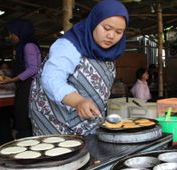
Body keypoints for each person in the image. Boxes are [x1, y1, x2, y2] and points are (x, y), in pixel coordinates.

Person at [29, 0, 129, 136]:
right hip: (55, 121)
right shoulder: (68, 46)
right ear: (94, 22)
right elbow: (51, 79)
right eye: (106, 28)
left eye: (119, 32)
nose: (111, 36)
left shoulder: (110, 52)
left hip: (87, 120)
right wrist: (78, 101)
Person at [0, 19, 41, 138]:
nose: (10, 36)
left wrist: (11, 80)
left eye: (12, 33)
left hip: (29, 87)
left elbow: (33, 69)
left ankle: (26, 143)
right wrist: (7, 72)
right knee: (21, 116)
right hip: (24, 86)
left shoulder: (29, 46)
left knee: (24, 117)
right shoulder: (22, 47)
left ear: (20, 32)